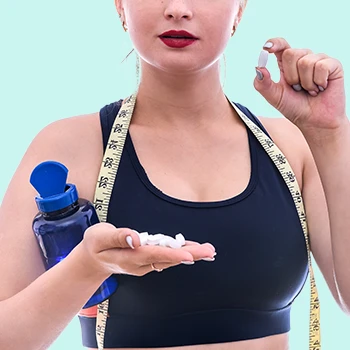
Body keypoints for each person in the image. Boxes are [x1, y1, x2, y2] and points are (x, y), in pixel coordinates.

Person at [0, 0, 349, 349]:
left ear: (239, 9)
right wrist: (86, 267)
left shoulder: (292, 146)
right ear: (121, 6)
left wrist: (331, 134)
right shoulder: (68, 149)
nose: (178, 8)